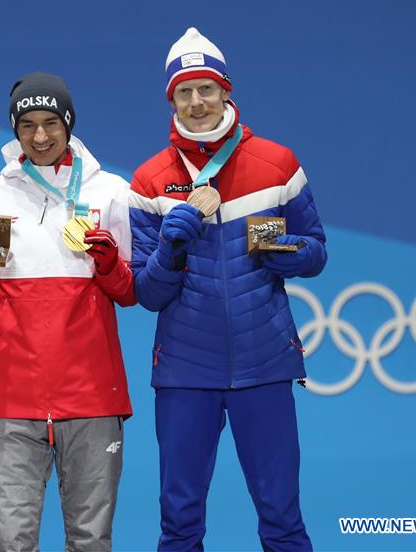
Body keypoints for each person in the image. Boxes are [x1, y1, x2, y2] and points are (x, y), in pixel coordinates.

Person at [128, 28, 327, 551]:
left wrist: (288, 253)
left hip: (264, 365)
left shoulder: (278, 163)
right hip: (185, 373)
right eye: (184, 92)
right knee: (180, 523)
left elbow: (318, 252)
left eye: (206, 89)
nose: (196, 103)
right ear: (170, 98)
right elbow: (146, 294)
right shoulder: (149, 180)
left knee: (283, 519)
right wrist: (171, 251)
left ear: (226, 91)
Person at [0, 72, 135, 551]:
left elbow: (132, 291)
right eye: (27, 124)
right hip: (14, 398)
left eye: (51, 122)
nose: (39, 136)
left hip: (93, 396)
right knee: (12, 542)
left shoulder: (112, 191)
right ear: (14, 129)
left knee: (91, 541)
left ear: (69, 122)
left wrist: (109, 263)